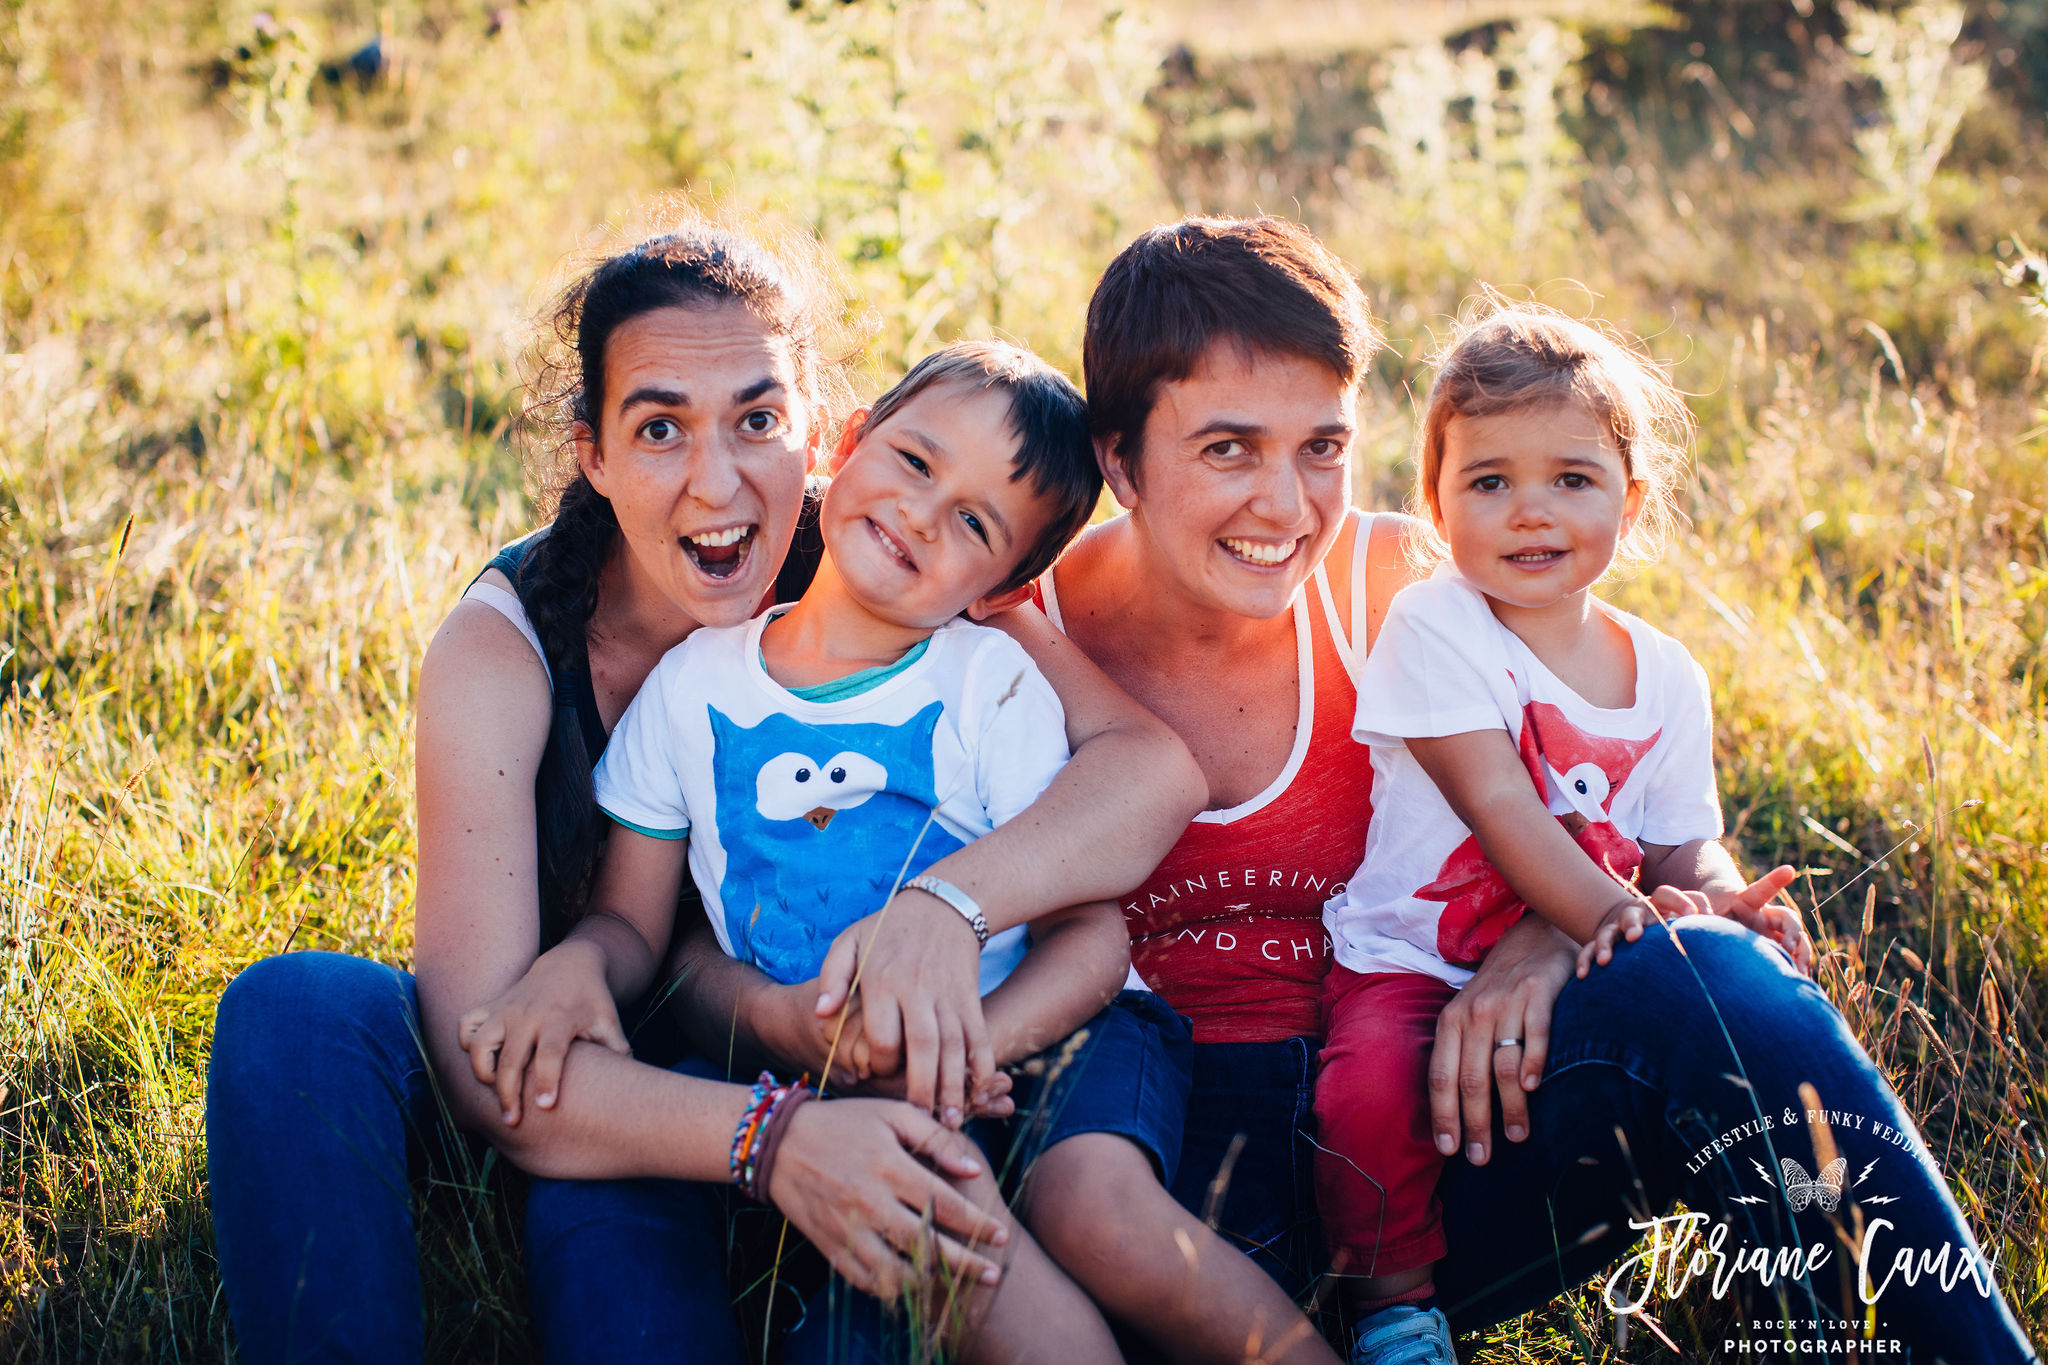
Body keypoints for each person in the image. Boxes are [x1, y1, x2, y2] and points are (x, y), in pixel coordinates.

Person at [1033, 215, 2036, 1363]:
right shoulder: (1022, 634)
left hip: (1440, 1120)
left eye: (1322, 446)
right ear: (1116, 460)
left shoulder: (1408, 583)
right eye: (1226, 450)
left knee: (1709, 980)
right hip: (1155, 1196)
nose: (1285, 505)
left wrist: (1550, 941)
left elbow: (1589, 813)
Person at [204, 223, 1207, 1364]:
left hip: (815, 1053)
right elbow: (490, 1061)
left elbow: (1145, 772)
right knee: (295, 1012)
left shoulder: (884, 548)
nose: (716, 481)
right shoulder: (506, 647)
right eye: (659, 428)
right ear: (591, 452)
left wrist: (947, 904)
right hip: (594, 1077)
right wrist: (773, 1139)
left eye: (757, 420)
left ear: (822, 431)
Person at [555, 339, 1339, 1364]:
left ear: (1001, 583)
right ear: (849, 442)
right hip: (852, 1075)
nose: (922, 515)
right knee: (955, 1248)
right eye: (915, 464)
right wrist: (574, 965)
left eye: (973, 521)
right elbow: (634, 922)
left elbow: (1091, 937)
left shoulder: (986, 681)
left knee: (1095, 1215)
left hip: (1060, 1030)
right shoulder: (691, 690)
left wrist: (978, 1048)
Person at [1312, 305, 1813, 1361]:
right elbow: (1501, 811)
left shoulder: (1665, 673)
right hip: (1410, 958)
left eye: (1570, 481)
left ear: (1630, 504)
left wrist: (1716, 904)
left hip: (1578, 950)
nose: (1528, 513)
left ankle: (1780, 1278)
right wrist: (1641, 935)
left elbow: (1682, 843)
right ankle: (1392, 1311)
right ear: (1434, 507)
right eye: (1487, 481)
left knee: (1730, 1035)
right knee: (1364, 1094)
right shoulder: (1435, 626)